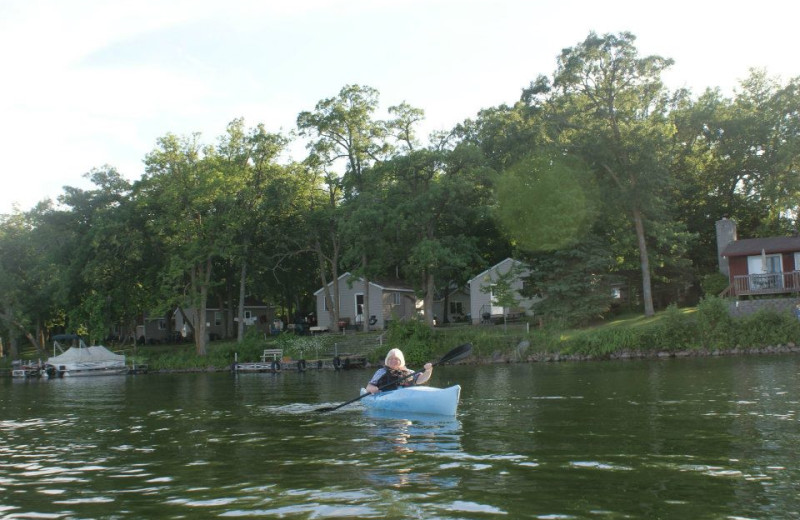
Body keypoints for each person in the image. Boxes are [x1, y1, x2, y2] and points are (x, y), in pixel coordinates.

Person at [365, 348, 433, 394]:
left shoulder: (409, 372)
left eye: (396, 359)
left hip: (406, 397)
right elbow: (369, 386)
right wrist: (373, 388)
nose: (393, 361)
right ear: (386, 360)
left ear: (401, 361)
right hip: (385, 396)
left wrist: (428, 370)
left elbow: (421, 380)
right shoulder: (381, 372)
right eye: (390, 359)